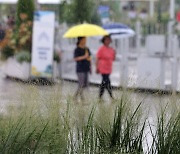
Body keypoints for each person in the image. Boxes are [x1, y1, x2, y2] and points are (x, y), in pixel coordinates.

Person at [96, 35, 115, 100]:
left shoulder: (111, 49)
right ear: (104, 41)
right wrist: (97, 67)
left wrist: (114, 53)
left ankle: (100, 96)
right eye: (106, 39)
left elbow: (113, 58)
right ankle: (111, 96)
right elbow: (97, 58)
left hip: (109, 68)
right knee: (107, 82)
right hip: (103, 67)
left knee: (104, 83)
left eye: (109, 39)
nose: (108, 41)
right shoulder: (101, 49)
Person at [74, 37, 91, 101]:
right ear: (80, 40)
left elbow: (89, 57)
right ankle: (77, 97)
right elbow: (76, 58)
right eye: (84, 39)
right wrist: (84, 57)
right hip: (80, 69)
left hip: (86, 68)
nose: (85, 41)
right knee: (81, 84)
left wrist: (90, 67)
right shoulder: (77, 49)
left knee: (85, 84)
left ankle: (80, 97)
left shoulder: (87, 49)